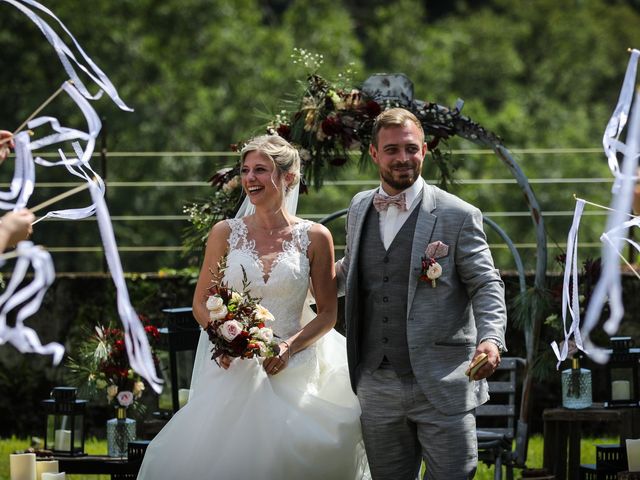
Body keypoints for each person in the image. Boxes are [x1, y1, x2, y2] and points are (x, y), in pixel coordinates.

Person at [138, 135, 369, 479]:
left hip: (294, 362)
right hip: (235, 364)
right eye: (245, 170)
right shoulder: (224, 233)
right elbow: (201, 301)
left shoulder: (316, 236)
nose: (249, 178)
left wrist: (289, 347)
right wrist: (225, 339)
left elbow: (327, 313)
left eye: (261, 170)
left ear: (288, 177)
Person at [336, 107, 507, 479]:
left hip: (444, 377)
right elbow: (351, 270)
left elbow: (486, 283)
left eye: (411, 149)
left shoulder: (458, 214)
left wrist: (491, 338)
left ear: (424, 151)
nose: (403, 158)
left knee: (454, 474)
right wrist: (288, 280)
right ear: (374, 153)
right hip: (375, 380)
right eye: (392, 149)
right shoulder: (359, 207)